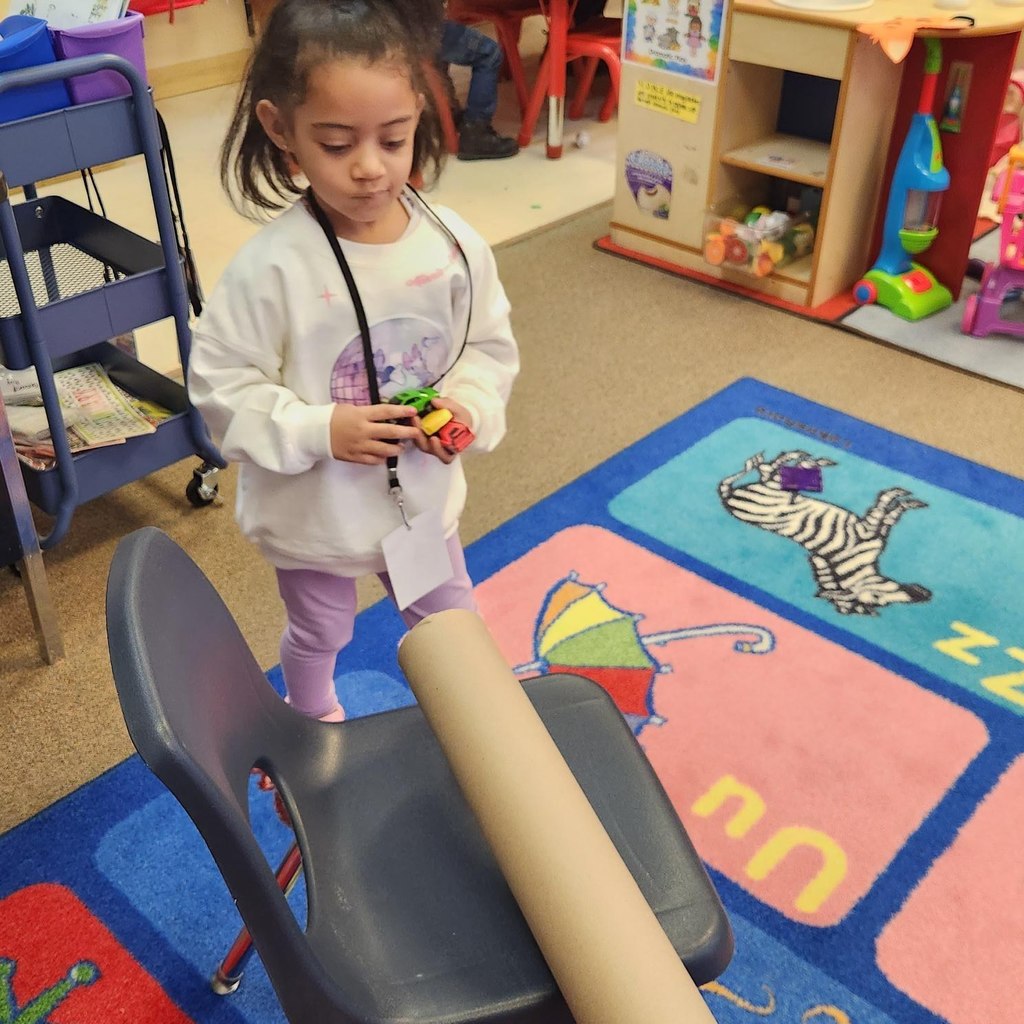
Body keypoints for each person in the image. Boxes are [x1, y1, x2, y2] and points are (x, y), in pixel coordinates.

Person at [187, 0, 519, 723]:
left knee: (449, 614)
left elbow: (487, 349)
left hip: (420, 501)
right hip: (318, 514)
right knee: (321, 628)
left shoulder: (453, 246)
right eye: (337, 144)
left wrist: (468, 405)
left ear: (420, 117)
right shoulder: (270, 269)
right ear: (283, 132)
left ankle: (483, 720)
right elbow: (219, 389)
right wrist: (317, 430)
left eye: (393, 140)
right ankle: (313, 715)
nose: (370, 169)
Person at [439, 18, 520, 160]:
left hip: (398, 29)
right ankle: (476, 130)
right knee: (489, 54)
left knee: (435, 61)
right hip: (423, 25)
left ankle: (445, 115)